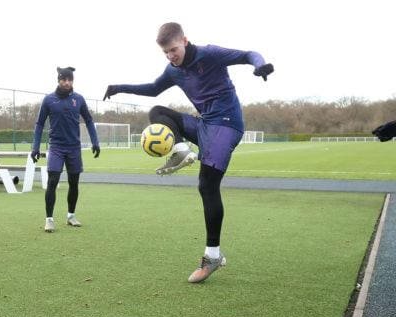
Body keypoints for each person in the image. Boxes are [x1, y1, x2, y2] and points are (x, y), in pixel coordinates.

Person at [103, 22, 273, 283]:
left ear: (184, 40)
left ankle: (213, 256)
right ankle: (181, 150)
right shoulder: (173, 71)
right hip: (204, 124)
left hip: (227, 124)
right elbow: (152, 88)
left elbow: (247, 54)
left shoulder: (210, 53)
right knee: (157, 113)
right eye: (166, 53)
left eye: (173, 49)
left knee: (207, 185)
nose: (171, 56)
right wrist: (119, 87)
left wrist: (259, 64)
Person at [31, 67, 100, 233]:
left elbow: (89, 121)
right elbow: (40, 124)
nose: (67, 82)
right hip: (56, 147)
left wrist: (95, 141)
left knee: (73, 183)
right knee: (52, 181)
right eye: (64, 79)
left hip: (74, 148)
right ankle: (49, 219)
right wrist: (35, 147)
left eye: (70, 80)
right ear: (58, 80)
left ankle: (71, 216)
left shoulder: (79, 99)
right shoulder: (48, 100)